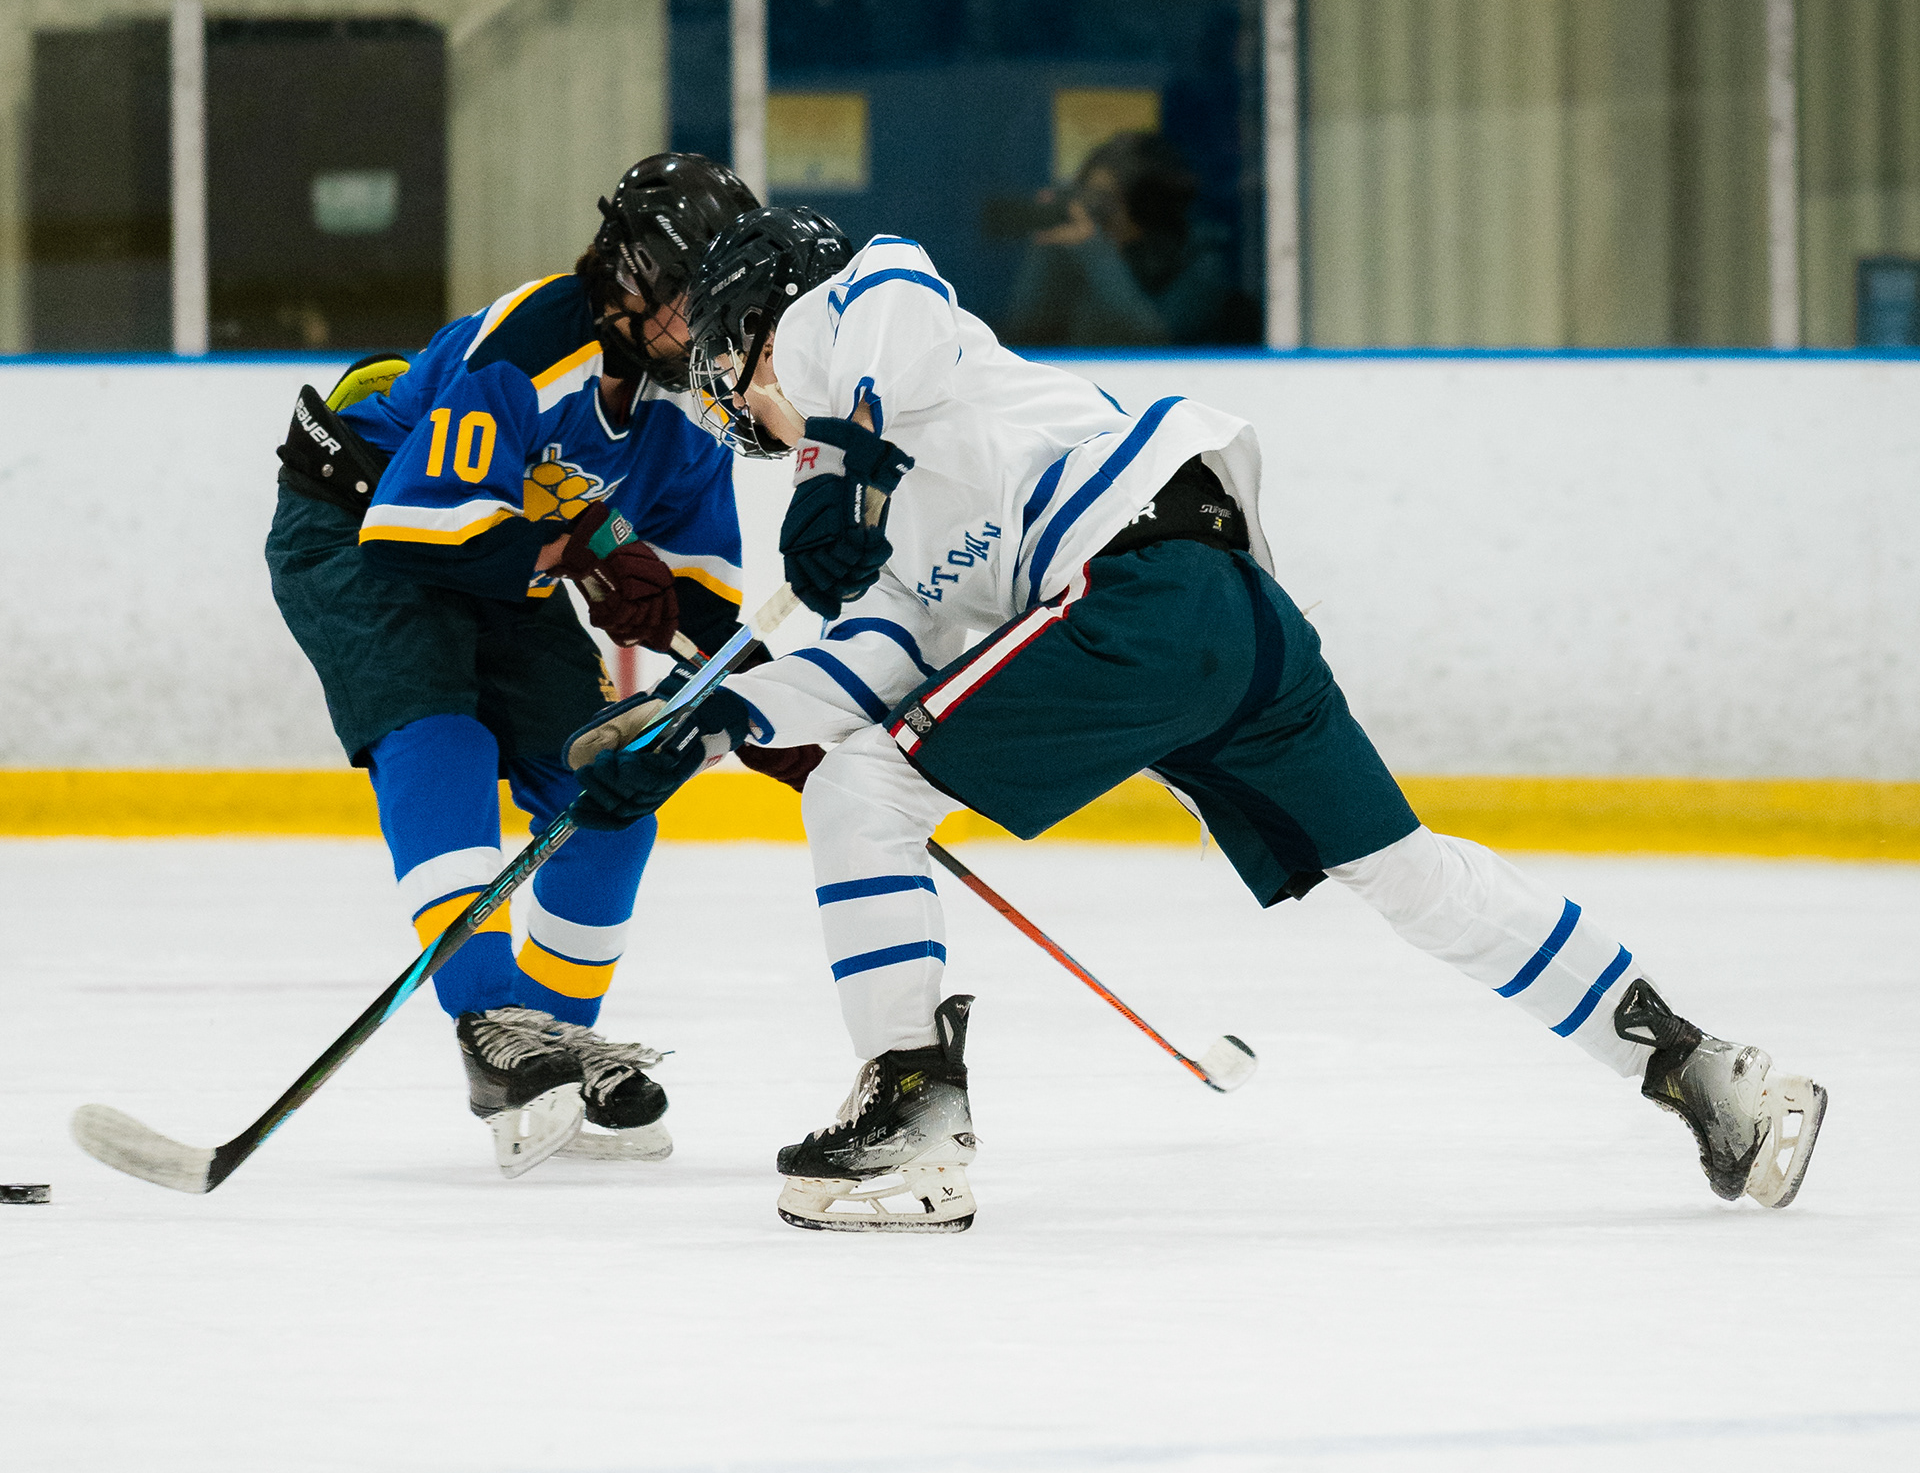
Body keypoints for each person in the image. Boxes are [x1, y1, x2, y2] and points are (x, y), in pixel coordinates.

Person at [573, 209, 1829, 1236]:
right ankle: (1703, 1068)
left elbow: (887, 305)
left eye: (725, 375)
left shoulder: (866, 311)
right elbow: (881, 655)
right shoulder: (880, 519)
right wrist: (707, 721)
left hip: (1143, 598)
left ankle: (910, 1117)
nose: (730, 407)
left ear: (755, 330)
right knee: (1409, 876)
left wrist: (838, 456)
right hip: (1221, 619)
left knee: (863, 792)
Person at [266, 151, 756, 1178]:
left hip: (494, 559)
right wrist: (588, 547)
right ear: (632, 283)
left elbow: (702, 607)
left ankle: (558, 1042)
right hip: (357, 526)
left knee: (610, 788)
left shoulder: (690, 405)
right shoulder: (534, 340)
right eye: (695, 301)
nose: (716, 328)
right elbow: (415, 530)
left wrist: (745, 698)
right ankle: (494, 1023)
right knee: (438, 726)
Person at [1002, 130, 1235, 348]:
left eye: (1107, 199)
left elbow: (1156, 339)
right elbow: (1024, 333)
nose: (1097, 211)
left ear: (1148, 208)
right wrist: (1048, 248)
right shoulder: (1085, 254)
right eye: (1091, 196)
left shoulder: (1200, 262)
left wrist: (1095, 253)